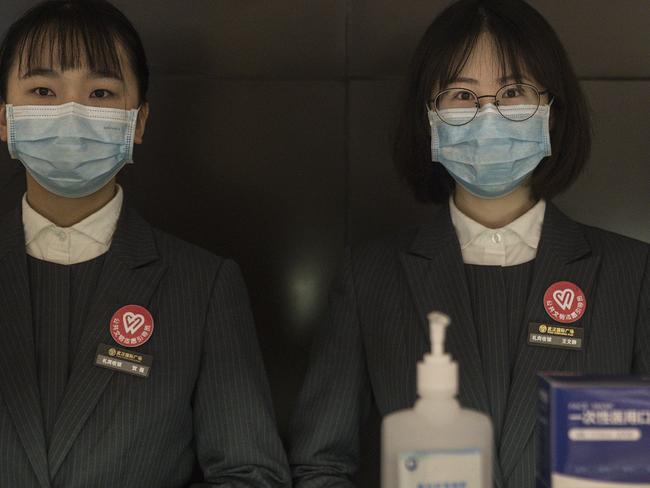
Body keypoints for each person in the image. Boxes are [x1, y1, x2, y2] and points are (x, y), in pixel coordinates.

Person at [287, 0, 650, 487]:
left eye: (512, 90)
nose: (488, 115)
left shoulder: (634, 273)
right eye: (461, 94)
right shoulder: (371, 276)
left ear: (553, 112)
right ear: (428, 117)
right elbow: (319, 465)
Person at [0, 1, 290, 486]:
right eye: (43, 90)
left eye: (100, 92)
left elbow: (250, 473)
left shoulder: (203, 285)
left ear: (137, 122)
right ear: (6, 118)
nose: (72, 114)